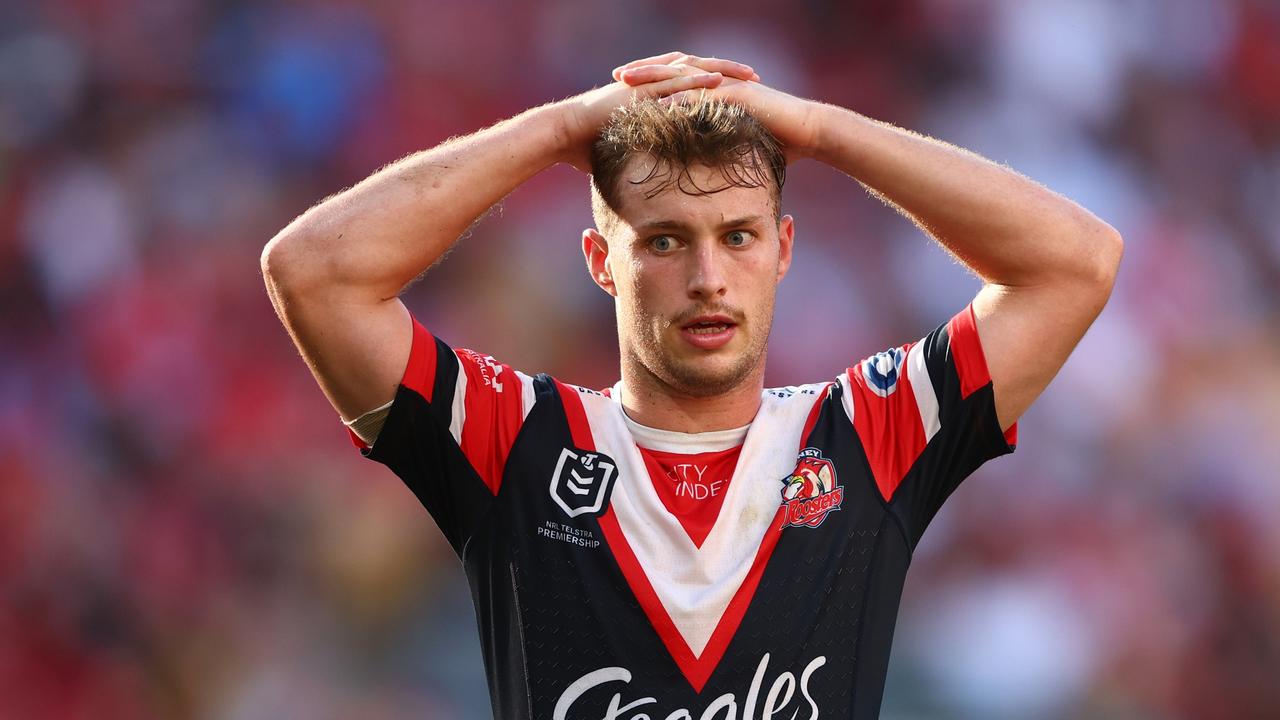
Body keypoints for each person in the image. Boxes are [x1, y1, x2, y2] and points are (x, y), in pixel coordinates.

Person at [261, 51, 1122, 720]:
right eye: (665, 241)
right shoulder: (515, 441)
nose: (709, 277)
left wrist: (820, 129)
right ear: (602, 262)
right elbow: (312, 273)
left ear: (784, 250)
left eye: (739, 237)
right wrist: (565, 127)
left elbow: (1077, 263)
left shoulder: (863, 435)